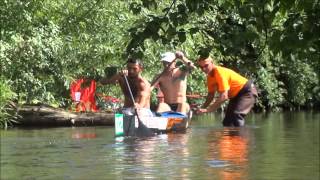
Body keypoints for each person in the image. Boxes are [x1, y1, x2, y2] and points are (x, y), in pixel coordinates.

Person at [196, 56, 258, 126]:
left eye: (206, 66)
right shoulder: (209, 77)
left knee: (236, 116)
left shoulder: (219, 72)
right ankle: (230, 136)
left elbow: (224, 96)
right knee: (227, 122)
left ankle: (241, 136)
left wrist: (209, 109)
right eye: (201, 67)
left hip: (247, 91)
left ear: (212, 63)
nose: (204, 69)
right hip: (235, 96)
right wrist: (202, 108)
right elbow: (210, 95)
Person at [152, 51, 195, 115]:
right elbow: (149, 89)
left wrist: (182, 58)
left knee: (182, 104)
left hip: (182, 105)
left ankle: (180, 120)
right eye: (164, 63)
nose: (166, 65)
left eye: (168, 63)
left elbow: (192, 67)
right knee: (161, 105)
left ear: (174, 62)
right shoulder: (159, 76)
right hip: (168, 106)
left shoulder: (182, 72)